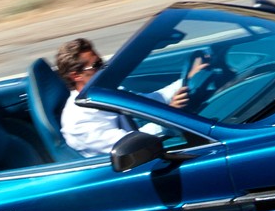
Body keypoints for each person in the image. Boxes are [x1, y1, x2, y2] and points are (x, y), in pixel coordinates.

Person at [52, 37, 207, 157]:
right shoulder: (77, 122)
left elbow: (152, 101)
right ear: (76, 75)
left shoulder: (106, 91)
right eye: (97, 65)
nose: (104, 68)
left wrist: (188, 79)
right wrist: (167, 120)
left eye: (102, 61)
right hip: (128, 170)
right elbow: (131, 143)